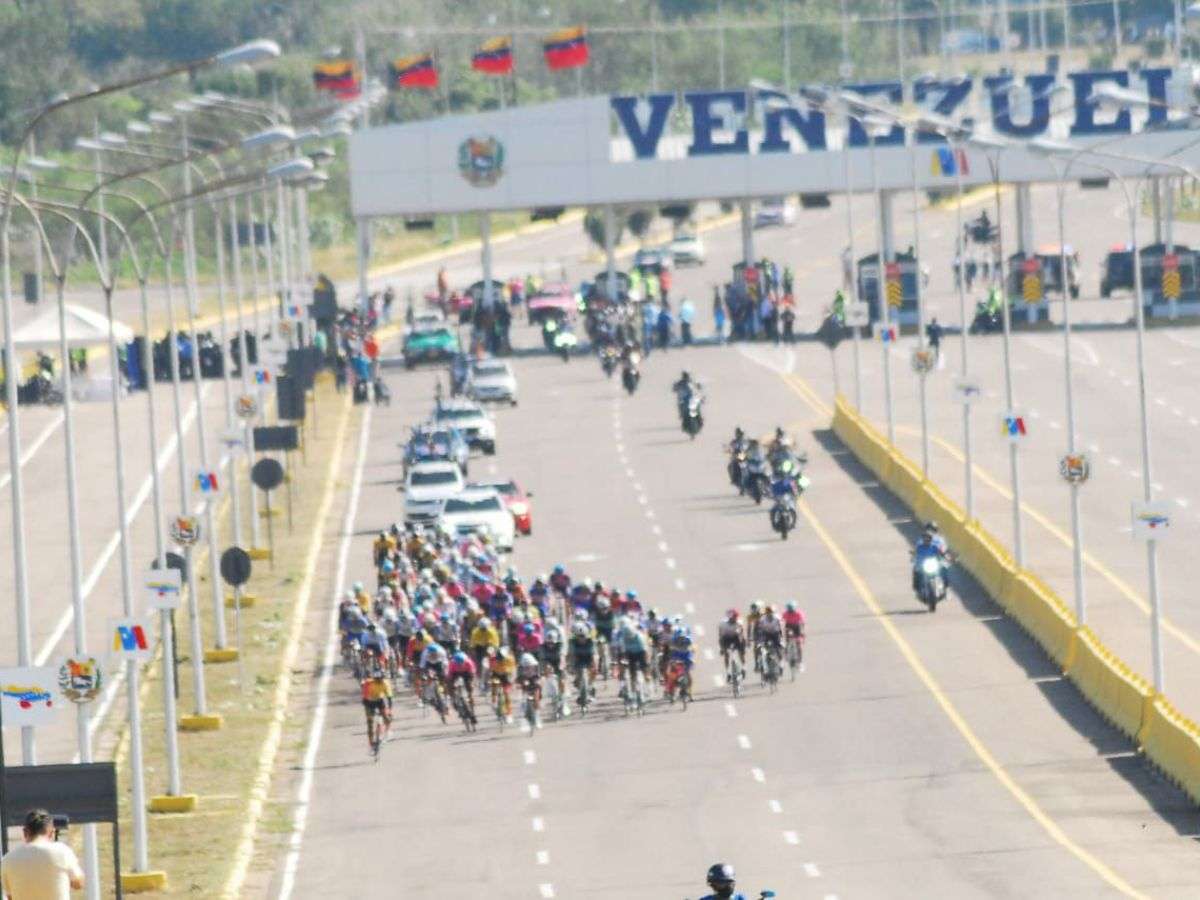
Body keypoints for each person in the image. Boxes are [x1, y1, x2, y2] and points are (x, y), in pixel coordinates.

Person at [1, 809, 85, 898]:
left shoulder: (7, 860)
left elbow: (10, 896)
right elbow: (79, 883)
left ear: (25, 832)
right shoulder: (62, 851)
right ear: (52, 833)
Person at [360, 668, 393, 750]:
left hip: (379, 701)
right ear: (374, 679)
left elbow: (389, 698)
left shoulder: (385, 683)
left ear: (383, 678)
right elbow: (364, 698)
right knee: (370, 724)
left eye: (380, 679)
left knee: (387, 717)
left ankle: (387, 732)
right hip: (369, 702)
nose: (379, 681)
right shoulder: (368, 683)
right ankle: (371, 744)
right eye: (376, 679)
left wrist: (389, 709)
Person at [755, 604, 784, 674]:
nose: (770, 614)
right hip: (765, 634)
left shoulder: (777, 618)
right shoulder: (762, 619)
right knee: (759, 647)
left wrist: (782, 638)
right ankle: (760, 663)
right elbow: (759, 630)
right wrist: (759, 640)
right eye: (768, 612)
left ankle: (781, 664)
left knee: (779, 647)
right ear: (766, 613)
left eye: (771, 612)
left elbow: (781, 628)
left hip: (775, 634)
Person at [718, 608, 747, 676]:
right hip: (726, 638)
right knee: (726, 654)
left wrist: (743, 647)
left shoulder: (739, 623)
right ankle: (728, 672)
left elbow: (742, 634)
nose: (735, 619)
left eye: (736, 617)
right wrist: (722, 648)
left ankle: (743, 667)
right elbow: (720, 636)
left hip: (736, 637)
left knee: (741, 653)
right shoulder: (723, 624)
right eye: (733, 617)